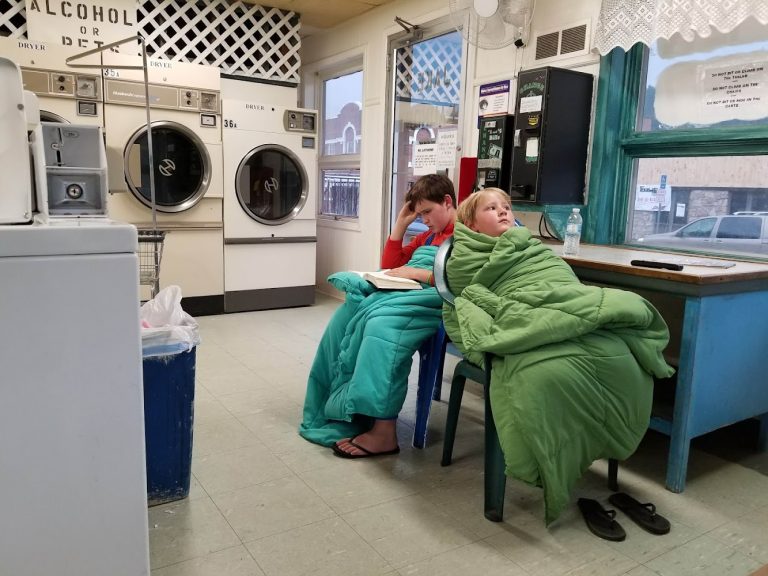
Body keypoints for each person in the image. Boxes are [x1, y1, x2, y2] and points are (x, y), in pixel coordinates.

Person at [444, 188, 674, 524]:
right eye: (491, 208)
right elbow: (469, 292)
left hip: (558, 305)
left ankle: (601, 444)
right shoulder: (466, 255)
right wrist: (511, 309)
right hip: (522, 310)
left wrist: (563, 302)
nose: (504, 211)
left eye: (506, 206)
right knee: (544, 375)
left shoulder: (530, 246)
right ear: (472, 224)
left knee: (622, 354)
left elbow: (561, 280)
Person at [299, 174, 457, 458]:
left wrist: (417, 273)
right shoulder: (427, 236)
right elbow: (391, 267)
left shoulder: (466, 233)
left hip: (435, 300)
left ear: (447, 201)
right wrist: (400, 226)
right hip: (408, 292)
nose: (424, 220)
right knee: (345, 316)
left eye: (427, 212)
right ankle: (342, 407)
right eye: (419, 214)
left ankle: (384, 430)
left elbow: (462, 278)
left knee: (381, 327)